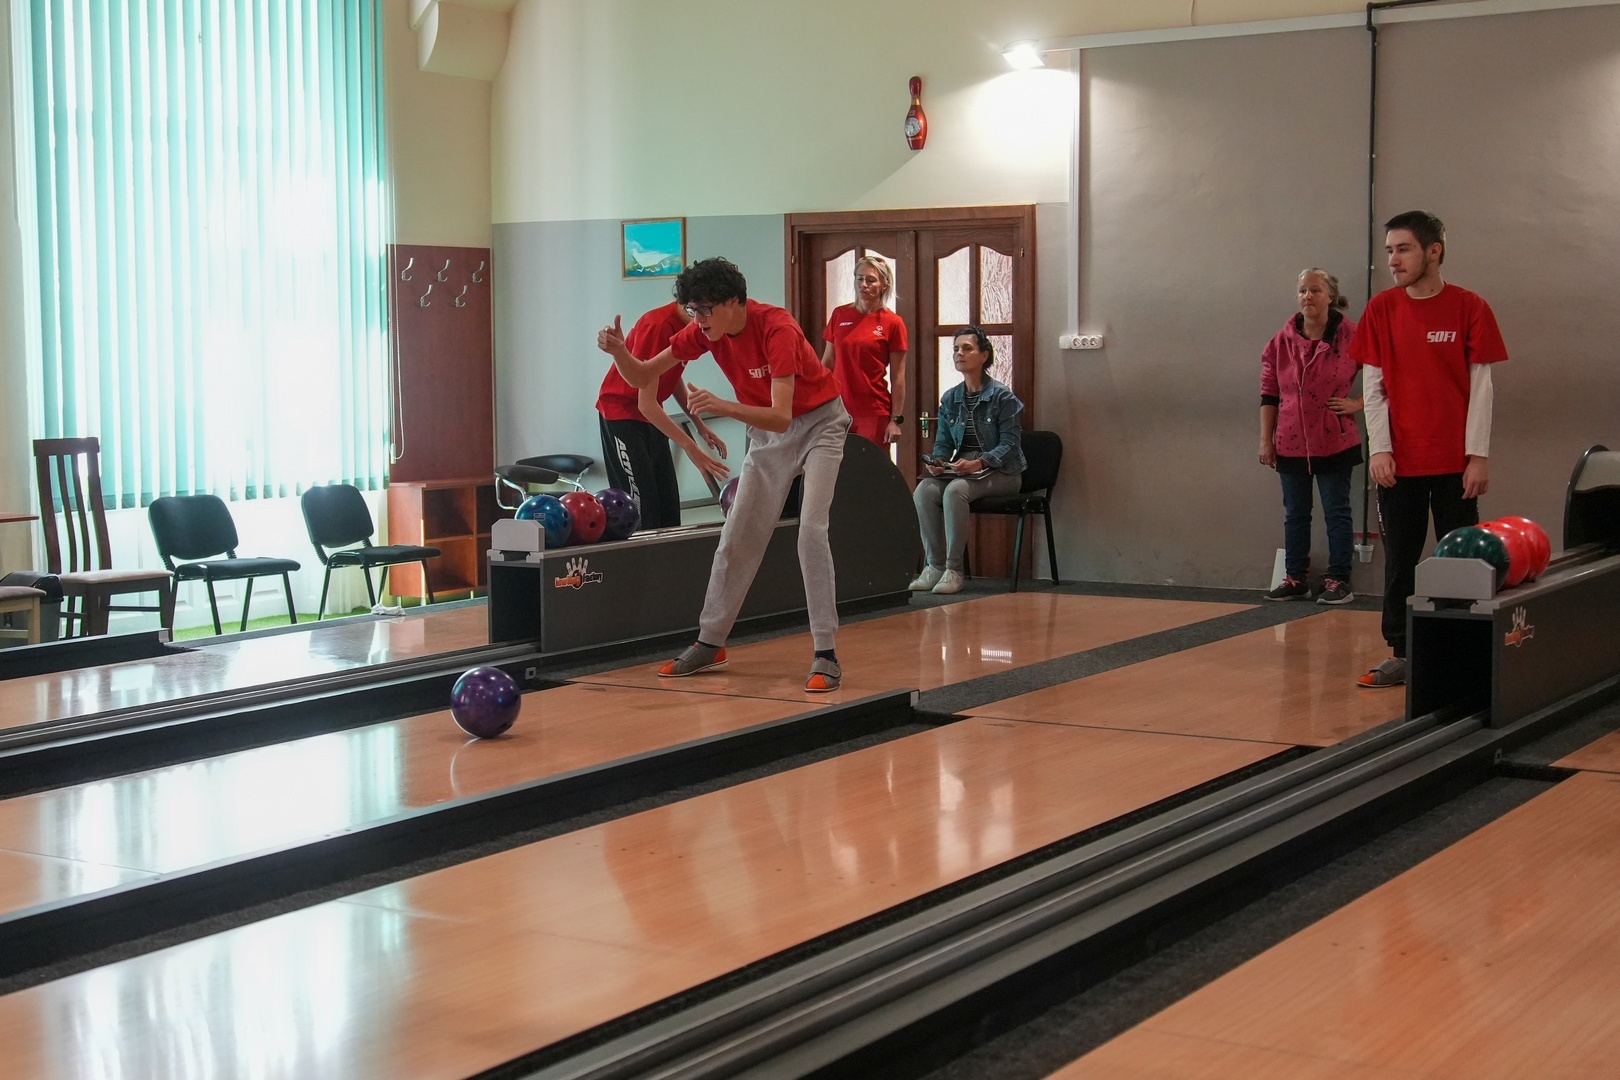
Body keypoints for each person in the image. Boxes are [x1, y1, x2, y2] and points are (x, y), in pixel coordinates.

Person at [596, 257, 851, 692]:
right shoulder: (701, 332)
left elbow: (781, 414)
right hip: (769, 437)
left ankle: (825, 652)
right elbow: (642, 375)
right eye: (692, 310)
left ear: (734, 302)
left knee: (811, 530)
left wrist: (721, 406)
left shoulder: (778, 328)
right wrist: (620, 352)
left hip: (820, 424)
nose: (698, 319)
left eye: (706, 309)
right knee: (737, 536)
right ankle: (710, 641)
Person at [1350, 210, 1508, 688]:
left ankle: (1462, 652)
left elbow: (1481, 389)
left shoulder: (1470, 307)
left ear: (1433, 251)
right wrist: (1380, 450)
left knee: (1460, 561)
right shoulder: (1381, 310)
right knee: (1401, 561)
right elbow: (1373, 388)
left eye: (1403, 249)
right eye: (1389, 251)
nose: (1393, 260)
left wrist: (1478, 455)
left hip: (1455, 465)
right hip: (1399, 465)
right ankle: (1401, 652)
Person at [1259, 268, 1363, 605]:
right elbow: (1269, 392)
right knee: (1295, 513)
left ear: (1330, 296)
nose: (1308, 296)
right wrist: (1266, 439)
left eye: (1315, 290)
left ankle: (1339, 579)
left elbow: (1386, 376)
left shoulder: (1353, 336)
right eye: (1303, 290)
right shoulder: (1281, 342)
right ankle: (1296, 578)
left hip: (1335, 439)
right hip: (1290, 440)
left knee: (1337, 511)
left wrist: (1357, 403)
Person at [909, 327, 1025, 596]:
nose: (959, 353)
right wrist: (938, 461)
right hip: (964, 469)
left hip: (1003, 472)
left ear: (984, 356)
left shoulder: (1002, 396)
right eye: (956, 349)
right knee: (924, 490)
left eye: (967, 348)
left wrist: (980, 463)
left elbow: (1010, 445)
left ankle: (954, 569)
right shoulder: (950, 398)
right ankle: (934, 565)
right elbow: (943, 443)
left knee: (955, 491)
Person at [596, 301, 726, 529]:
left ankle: (670, 553)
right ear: (690, 304)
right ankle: (640, 553)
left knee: (668, 505)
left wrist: (698, 424)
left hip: (651, 414)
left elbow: (670, 374)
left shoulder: (692, 327)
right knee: (642, 507)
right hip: (622, 413)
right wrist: (691, 447)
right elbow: (645, 403)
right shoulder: (657, 326)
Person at [821, 255, 908, 446]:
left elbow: (898, 376)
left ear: (884, 285)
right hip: (837, 408)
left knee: (868, 463)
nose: (863, 285)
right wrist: (815, 402)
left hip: (873, 409)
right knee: (835, 461)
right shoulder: (839, 314)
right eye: (859, 278)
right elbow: (827, 363)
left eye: (870, 280)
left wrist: (895, 419)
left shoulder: (893, 323)